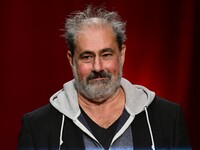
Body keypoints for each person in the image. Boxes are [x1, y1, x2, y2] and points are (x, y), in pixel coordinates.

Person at [17, 5, 191, 150]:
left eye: (106, 54)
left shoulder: (168, 118)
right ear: (71, 60)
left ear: (122, 54)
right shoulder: (37, 128)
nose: (98, 67)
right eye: (87, 56)